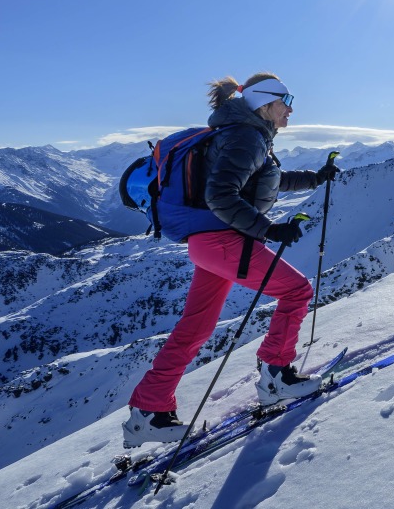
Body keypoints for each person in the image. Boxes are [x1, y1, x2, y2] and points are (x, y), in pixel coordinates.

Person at [122, 73, 340, 447]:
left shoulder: (242, 134)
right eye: (286, 100)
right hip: (224, 240)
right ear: (265, 103)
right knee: (296, 292)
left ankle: (148, 413)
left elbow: (265, 179)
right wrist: (268, 229)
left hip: (208, 242)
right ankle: (277, 378)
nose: (291, 109)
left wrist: (315, 178)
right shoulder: (246, 137)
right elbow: (221, 196)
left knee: (195, 326)